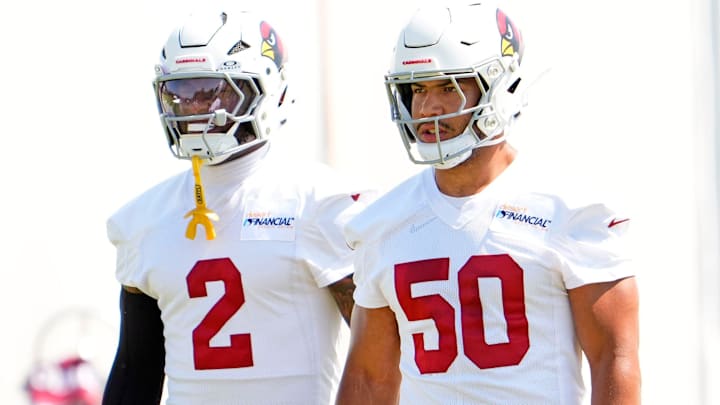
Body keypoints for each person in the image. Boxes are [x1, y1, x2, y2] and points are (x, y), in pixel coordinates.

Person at [336, 2, 641, 404]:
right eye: (418, 89)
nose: (428, 109)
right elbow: (369, 378)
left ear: (500, 88)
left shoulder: (567, 211)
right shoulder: (382, 222)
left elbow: (614, 359)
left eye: (449, 86)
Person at [102, 9, 374, 405]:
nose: (194, 108)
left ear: (265, 90)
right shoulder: (141, 220)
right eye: (181, 92)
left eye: (212, 91)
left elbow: (381, 360)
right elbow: (136, 370)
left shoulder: (319, 201)